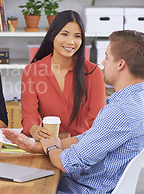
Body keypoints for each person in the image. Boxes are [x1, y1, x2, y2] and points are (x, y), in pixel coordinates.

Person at [3, 30, 144, 194]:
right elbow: (87, 139)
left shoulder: (121, 111)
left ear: (121, 64)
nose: (102, 63)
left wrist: (49, 148)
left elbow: (68, 163)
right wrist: (39, 147)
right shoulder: (138, 102)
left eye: (107, 57)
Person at [21, 10, 105, 140]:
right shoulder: (32, 72)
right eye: (64, 34)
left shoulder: (93, 73)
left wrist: (67, 139)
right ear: (53, 35)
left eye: (77, 36)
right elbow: (29, 117)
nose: (71, 42)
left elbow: (98, 123)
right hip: (47, 144)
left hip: (83, 146)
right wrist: (34, 129)